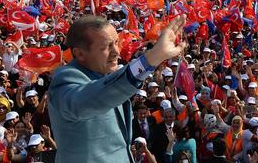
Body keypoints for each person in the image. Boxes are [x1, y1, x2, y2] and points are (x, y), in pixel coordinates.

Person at [48, 14, 187, 163]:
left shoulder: (104, 74)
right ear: (80, 53)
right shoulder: (64, 81)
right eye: (107, 46)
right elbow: (87, 101)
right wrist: (150, 59)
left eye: (116, 43)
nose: (117, 52)